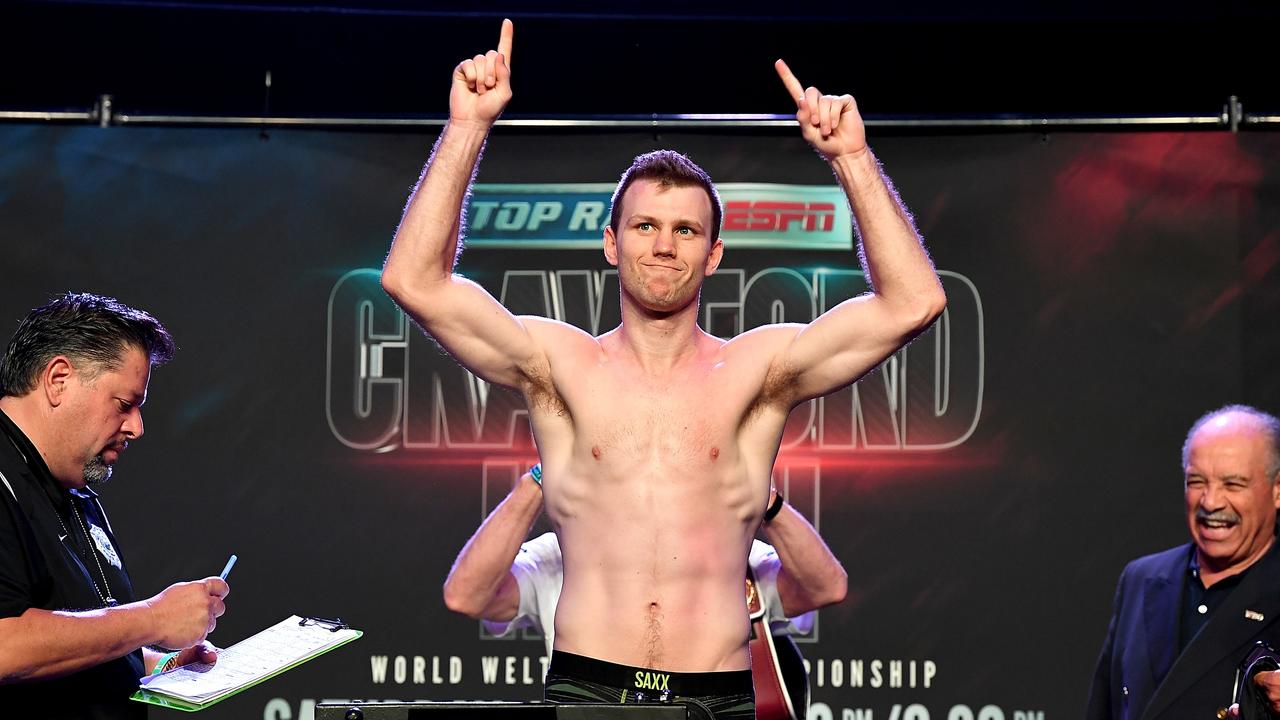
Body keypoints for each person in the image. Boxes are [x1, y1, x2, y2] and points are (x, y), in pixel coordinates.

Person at [381, 19, 944, 718]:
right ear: (612, 244)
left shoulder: (758, 372)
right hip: (589, 692)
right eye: (645, 227)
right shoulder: (558, 365)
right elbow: (414, 281)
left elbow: (914, 303)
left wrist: (852, 158)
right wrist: (466, 127)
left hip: (717, 696)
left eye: (686, 231)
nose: (664, 247)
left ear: (712, 254)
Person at [0, 293, 230, 720]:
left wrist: (161, 665)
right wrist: (152, 618)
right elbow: (5, 647)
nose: (136, 427)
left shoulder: (76, 491)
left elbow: (80, 640)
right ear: (58, 380)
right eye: (124, 404)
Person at [442, 467, 847, 655]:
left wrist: (769, 504)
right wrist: (539, 478)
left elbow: (825, 587)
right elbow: (467, 596)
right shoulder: (555, 557)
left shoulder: (737, 555)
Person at [1086, 405, 1280, 720]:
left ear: (1277, 490)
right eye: (1196, 481)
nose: (1211, 501)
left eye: (1233, 484)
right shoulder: (1141, 578)